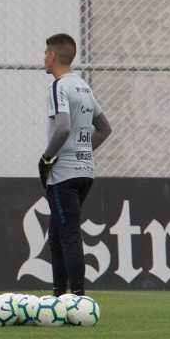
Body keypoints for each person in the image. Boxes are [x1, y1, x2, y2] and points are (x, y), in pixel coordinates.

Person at [39, 33, 111, 297]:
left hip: (64, 174)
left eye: (46, 52)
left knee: (67, 235)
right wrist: (82, 150)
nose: (44, 57)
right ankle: (60, 296)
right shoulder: (83, 86)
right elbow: (104, 129)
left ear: (53, 56)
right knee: (57, 233)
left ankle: (78, 297)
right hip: (85, 171)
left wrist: (47, 157)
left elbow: (62, 126)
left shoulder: (58, 87)